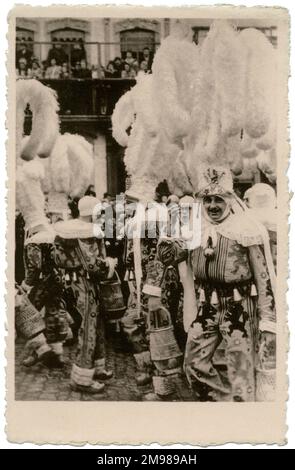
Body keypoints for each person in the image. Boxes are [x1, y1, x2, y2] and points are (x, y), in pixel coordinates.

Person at [158, 166, 276, 402]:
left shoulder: (247, 230)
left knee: (241, 372)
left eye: (219, 200)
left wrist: (268, 323)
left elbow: (264, 280)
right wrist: (170, 233)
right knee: (192, 364)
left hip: (240, 310)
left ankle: (243, 420)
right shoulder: (195, 230)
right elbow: (167, 257)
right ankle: (223, 404)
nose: (212, 205)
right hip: (208, 308)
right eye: (208, 199)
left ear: (230, 201)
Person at [53, 196, 117, 393]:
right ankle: (82, 378)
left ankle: (96, 367)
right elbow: (92, 264)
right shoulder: (86, 232)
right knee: (89, 327)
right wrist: (109, 264)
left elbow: (58, 257)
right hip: (86, 283)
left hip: (75, 282)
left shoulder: (68, 230)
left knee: (95, 325)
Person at [16, 160, 68, 369]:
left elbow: (34, 266)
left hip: (41, 284)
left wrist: (27, 285)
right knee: (55, 313)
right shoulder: (51, 233)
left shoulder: (35, 238)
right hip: (57, 280)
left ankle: (40, 350)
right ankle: (58, 352)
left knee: (26, 315)